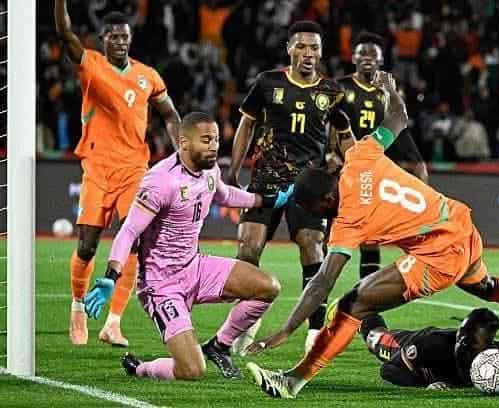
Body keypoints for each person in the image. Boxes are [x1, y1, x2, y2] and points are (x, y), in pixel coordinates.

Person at [245, 72, 499, 399]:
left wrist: (286, 329)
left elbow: (322, 281)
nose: (316, 216)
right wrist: (390, 89)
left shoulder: (349, 218)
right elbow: (399, 117)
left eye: (313, 209)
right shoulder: (359, 156)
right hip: (460, 224)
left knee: (351, 305)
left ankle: (291, 382)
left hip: (439, 254)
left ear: (326, 199)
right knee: (485, 286)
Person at [83, 112, 292, 380]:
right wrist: (111, 275)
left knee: (267, 287)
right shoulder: (161, 180)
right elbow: (129, 231)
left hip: (195, 267)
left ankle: (219, 345)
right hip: (162, 285)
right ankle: (140, 368)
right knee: (192, 370)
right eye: (206, 140)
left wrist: (267, 200)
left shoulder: (210, 171)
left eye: (216, 139)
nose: (214, 146)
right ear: (184, 143)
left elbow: (225, 194)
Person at [54, 0, 181, 347]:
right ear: (103, 39)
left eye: (125, 37)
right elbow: (64, 33)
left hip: (134, 170)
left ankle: (113, 323)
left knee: (135, 242)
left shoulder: (148, 76)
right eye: (113, 37)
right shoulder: (91, 64)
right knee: (87, 246)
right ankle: (78, 307)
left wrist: (182, 150)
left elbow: (170, 115)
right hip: (97, 168)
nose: (120, 42)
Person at [225, 20, 354, 353]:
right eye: (301, 46)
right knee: (248, 248)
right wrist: (233, 170)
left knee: (313, 246)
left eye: (314, 48)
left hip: (309, 187)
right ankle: (245, 323)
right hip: (265, 180)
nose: (308, 53)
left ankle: (315, 332)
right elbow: (246, 126)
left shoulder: (332, 92)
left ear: (321, 53)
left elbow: (345, 136)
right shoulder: (267, 83)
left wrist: (356, 168)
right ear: (289, 49)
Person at [334, 31, 428, 335]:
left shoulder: (388, 92)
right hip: (344, 169)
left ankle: (364, 305)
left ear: (381, 60)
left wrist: (418, 170)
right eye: (362, 53)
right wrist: (331, 154)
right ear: (353, 57)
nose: (367, 59)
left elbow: (400, 127)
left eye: (373, 55)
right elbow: (327, 124)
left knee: (370, 241)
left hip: (375, 173)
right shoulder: (341, 87)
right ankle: (323, 312)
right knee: (329, 241)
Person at [362, 308, 499, 389]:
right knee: (374, 335)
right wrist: (424, 383)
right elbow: (388, 370)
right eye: (461, 336)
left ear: (487, 344)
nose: (461, 343)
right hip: (406, 343)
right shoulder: (432, 344)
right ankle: (355, 308)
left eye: (469, 341)